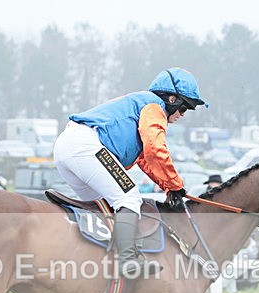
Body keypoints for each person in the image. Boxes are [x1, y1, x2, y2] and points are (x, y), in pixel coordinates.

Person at [53, 67, 206, 278]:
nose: (182, 115)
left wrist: (168, 187)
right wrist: (175, 185)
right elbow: (155, 149)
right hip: (85, 147)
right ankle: (128, 262)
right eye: (184, 108)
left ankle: (96, 265)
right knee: (129, 198)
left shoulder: (142, 104)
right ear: (172, 99)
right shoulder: (155, 108)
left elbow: (144, 159)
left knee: (106, 209)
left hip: (68, 147)